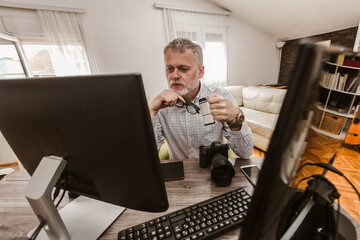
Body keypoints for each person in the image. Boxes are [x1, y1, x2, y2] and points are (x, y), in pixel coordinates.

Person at [149, 38, 253, 160]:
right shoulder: (159, 104)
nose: (175, 75)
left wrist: (236, 119)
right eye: (170, 69)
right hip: (179, 172)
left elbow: (245, 153)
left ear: (200, 72)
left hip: (214, 169)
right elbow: (146, 156)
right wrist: (150, 111)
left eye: (183, 69)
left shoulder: (222, 97)